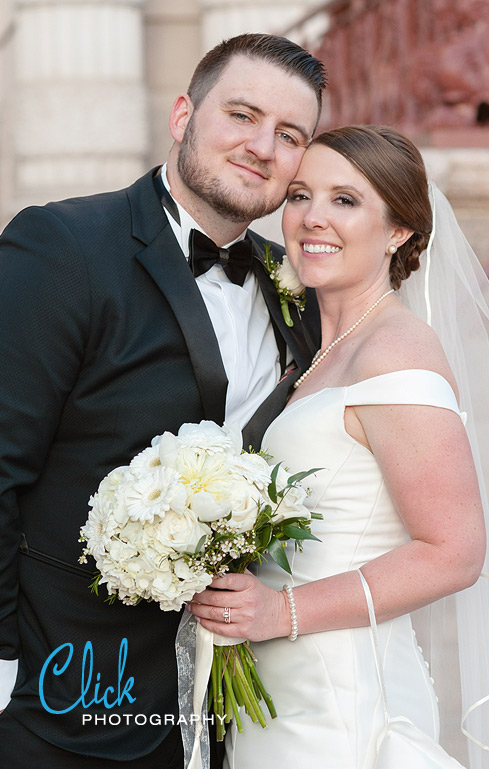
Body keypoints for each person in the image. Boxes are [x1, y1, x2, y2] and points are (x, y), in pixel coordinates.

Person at [0, 33, 326, 768]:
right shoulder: (62, 247)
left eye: (289, 135)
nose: (261, 146)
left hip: (225, 708)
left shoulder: (293, 285)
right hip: (60, 694)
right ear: (183, 115)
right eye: (240, 115)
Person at [189, 125, 489, 768]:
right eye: (300, 195)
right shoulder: (316, 354)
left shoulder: (397, 349)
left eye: (345, 200)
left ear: (399, 230)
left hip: (340, 700)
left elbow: (454, 553)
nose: (312, 218)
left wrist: (279, 610)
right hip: (280, 691)